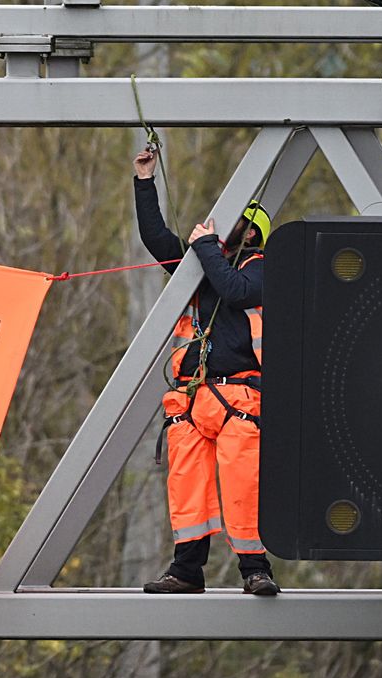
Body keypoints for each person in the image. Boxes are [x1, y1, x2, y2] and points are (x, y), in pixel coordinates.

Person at [133, 147, 279, 596]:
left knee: (242, 487)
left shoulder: (263, 269)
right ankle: (187, 570)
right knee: (187, 489)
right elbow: (156, 239)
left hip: (240, 399)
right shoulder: (201, 269)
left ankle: (256, 569)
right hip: (193, 400)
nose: (221, 227)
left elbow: (235, 291)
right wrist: (144, 182)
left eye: (234, 220)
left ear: (251, 230)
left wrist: (203, 249)